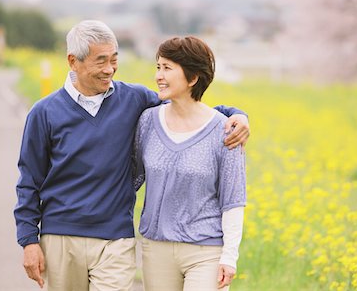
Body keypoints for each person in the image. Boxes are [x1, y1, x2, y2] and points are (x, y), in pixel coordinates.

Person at [14, 20, 249, 291]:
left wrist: (235, 114)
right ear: (73, 61)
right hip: (60, 236)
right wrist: (29, 240)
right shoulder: (44, 113)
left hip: (116, 238)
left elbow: (188, 106)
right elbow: (28, 181)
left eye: (114, 59)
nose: (110, 69)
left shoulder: (134, 99)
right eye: (101, 61)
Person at [133, 36, 246, 291]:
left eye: (167, 68)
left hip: (206, 251)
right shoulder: (148, 121)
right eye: (158, 67)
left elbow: (233, 200)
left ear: (193, 77)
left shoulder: (226, 130)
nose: (159, 76)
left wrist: (229, 257)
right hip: (156, 247)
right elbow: (130, 181)